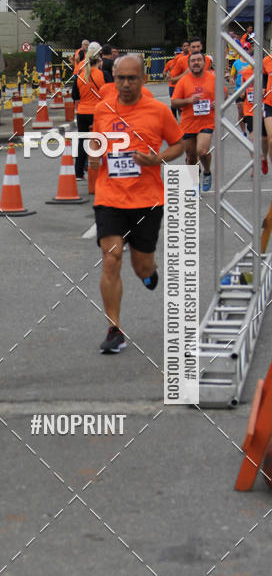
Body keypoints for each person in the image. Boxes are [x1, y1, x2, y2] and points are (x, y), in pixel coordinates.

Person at [88, 54, 184, 354]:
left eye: (132, 78)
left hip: (147, 199)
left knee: (140, 265)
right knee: (111, 256)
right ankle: (114, 329)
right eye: (120, 78)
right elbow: (96, 140)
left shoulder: (158, 111)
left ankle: (149, 272)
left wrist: (157, 158)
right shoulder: (103, 109)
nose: (126, 84)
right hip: (110, 195)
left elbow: (179, 143)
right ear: (113, 79)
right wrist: (93, 152)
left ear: (143, 79)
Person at [171, 51, 218, 190]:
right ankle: (194, 182)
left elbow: (224, 92)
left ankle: (207, 172)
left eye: (199, 60)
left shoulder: (212, 78)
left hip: (207, 121)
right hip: (188, 124)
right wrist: (188, 100)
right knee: (191, 157)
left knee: (202, 151)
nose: (196, 63)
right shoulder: (183, 81)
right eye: (193, 61)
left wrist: (218, 101)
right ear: (189, 64)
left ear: (204, 62)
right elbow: (174, 102)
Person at [74, 41, 105, 180]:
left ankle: (79, 172)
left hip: (82, 112)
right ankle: (101, 170)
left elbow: (75, 95)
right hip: (97, 112)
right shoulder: (101, 75)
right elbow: (109, 92)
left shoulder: (80, 73)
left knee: (82, 142)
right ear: (99, 58)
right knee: (100, 142)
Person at [240, 43, 268, 175]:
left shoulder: (265, 72)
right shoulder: (245, 72)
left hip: (263, 109)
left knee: (264, 139)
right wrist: (242, 92)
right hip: (249, 109)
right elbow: (241, 92)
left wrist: (263, 90)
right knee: (252, 138)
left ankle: (263, 157)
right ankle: (253, 164)